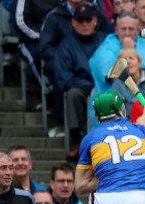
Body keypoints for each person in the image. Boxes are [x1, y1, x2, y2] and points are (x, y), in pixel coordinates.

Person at [55, 3, 107, 149]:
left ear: (95, 21)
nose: (84, 24)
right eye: (80, 20)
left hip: (104, 86)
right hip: (81, 87)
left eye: (88, 20)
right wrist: (90, 87)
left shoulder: (105, 41)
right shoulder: (66, 45)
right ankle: (76, 139)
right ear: (73, 22)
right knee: (73, 94)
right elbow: (64, 78)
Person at [89, 11, 145, 95]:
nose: (127, 33)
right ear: (116, 30)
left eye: (131, 29)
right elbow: (109, 77)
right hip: (114, 100)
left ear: (138, 30)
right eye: (123, 29)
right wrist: (127, 51)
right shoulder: (106, 48)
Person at [110, 48, 145, 117]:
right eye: (124, 60)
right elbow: (118, 110)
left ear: (139, 63)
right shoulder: (117, 84)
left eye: (131, 58)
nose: (128, 62)